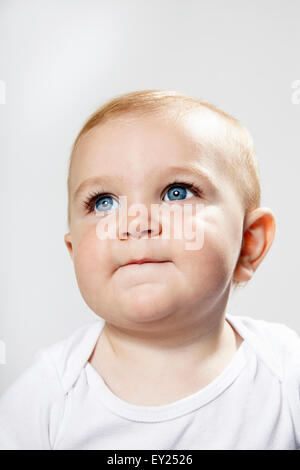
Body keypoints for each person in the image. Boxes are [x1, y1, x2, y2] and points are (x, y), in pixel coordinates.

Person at [0, 90, 299, 450]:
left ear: (248, 244)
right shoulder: (48, 394)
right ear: (73, 251)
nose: (135, 223)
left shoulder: (286, 373)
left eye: (177, 193)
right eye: (103, 202)